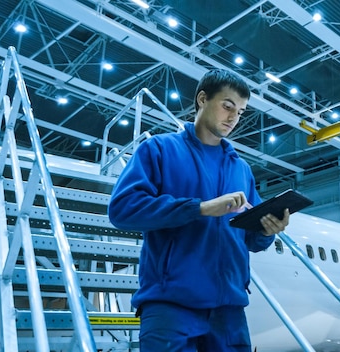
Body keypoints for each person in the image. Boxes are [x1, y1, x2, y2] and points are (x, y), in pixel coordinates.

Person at [108, 69, 290, 351]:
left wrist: (267, 231)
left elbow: (251, 241)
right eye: (227, 106)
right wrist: (200, 208)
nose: (233, 118)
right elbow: (122, 210)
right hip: (171, 307)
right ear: (202, 99)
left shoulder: (241, 168)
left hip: (229, 311)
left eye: (240, 112)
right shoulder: (158, 149)